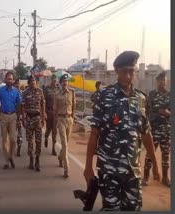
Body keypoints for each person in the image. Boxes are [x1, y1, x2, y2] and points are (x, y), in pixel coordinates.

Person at [83, 51, 160, 211]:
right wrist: (88, 167)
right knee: (112, 209)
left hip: (133, 171)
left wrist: (155, 164)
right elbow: (94, 134)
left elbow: (146, 134)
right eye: (124, 71)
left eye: (131, 71)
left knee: (134, 208)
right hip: (109, 170)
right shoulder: (104, 96)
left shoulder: (141, 99)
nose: (128, 75)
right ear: (117, 71)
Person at [142, 71, 171, 187]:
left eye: (164, 80)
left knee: (166, 154)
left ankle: (165, 177)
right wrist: (155, 114)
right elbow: (147, 111)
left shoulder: (170, 95)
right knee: (150, 153)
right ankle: (146, 177)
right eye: (160, 80)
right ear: (157, 82)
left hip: (166, 130)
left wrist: (168, 113)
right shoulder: (152, 95)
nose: (162, 82)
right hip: (153, 130)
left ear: (167, 81)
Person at [0, 71, 21, 169]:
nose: (10, 80)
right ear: (5, 80)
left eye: (11, 79)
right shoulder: (1, 91)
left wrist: (18, 117)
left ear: (13, 80)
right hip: (3, 116)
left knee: (13, 139)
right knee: (5, 140)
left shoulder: (16, 91)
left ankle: (10, 156)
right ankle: (7, 161)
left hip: (13, 116)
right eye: (8, 79)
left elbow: (19, 104)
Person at [54, 74, 76, 178]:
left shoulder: (72, 92)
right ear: (60, 83)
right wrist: (55, 123)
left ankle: (60, 157)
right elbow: (55, 110)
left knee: (66, 142)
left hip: (69, 119)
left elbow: (74, 106)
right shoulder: (57, 94)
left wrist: (73, 118)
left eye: (66, 81)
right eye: (63, 81)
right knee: (65, 144)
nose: (65, 83)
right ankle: (66, 169)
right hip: (61, 120)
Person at [22, 75, 45, 171]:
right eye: (31, 81)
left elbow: (42, 104)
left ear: (36, 82)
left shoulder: (40, 91)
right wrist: (23, 118)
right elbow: (23, 106)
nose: (33, 82)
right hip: (29, 118)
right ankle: (31, 159)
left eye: (34, 80)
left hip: (38, 118)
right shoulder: (25, 92)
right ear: (28, 82)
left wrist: (43, 117)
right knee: (30, 141)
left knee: (38, 141)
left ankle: (37, 161)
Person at [43, 74, 60, 156]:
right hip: (48, 111)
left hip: (56, 113)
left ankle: (53, 148)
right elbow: (44, 101)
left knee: (54, 131)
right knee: (48, 128)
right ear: (51, 80)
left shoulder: (58, 89)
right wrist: (44, 112)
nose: (55, 82)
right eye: (53, 80)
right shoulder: (46, 89)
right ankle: (46, 137)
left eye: (56, 80)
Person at [14, 79, 23, 156]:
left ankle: (19, 147)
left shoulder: (22, 94)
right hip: (12, 116)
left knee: (19, 133)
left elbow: (24, 105)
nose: (18, 85)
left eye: (18, 84)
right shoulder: (12, 93)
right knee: (12, 133)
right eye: (16, 84)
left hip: (19, 116)